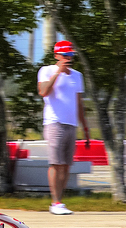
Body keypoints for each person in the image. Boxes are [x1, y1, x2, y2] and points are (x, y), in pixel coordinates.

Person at [37, 40, 89, 215]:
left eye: (71, 55)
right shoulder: (46, 71)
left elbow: (79, 103)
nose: (68, 58)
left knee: (66, 165)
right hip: (54, 123)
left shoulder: (77, 75)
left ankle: (60, 202)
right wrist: (57, 73)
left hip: (71, 124)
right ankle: (55, 201)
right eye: (65, 55)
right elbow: (43, 92)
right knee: (56, 163)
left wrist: (86, 128)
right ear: (57, 56)